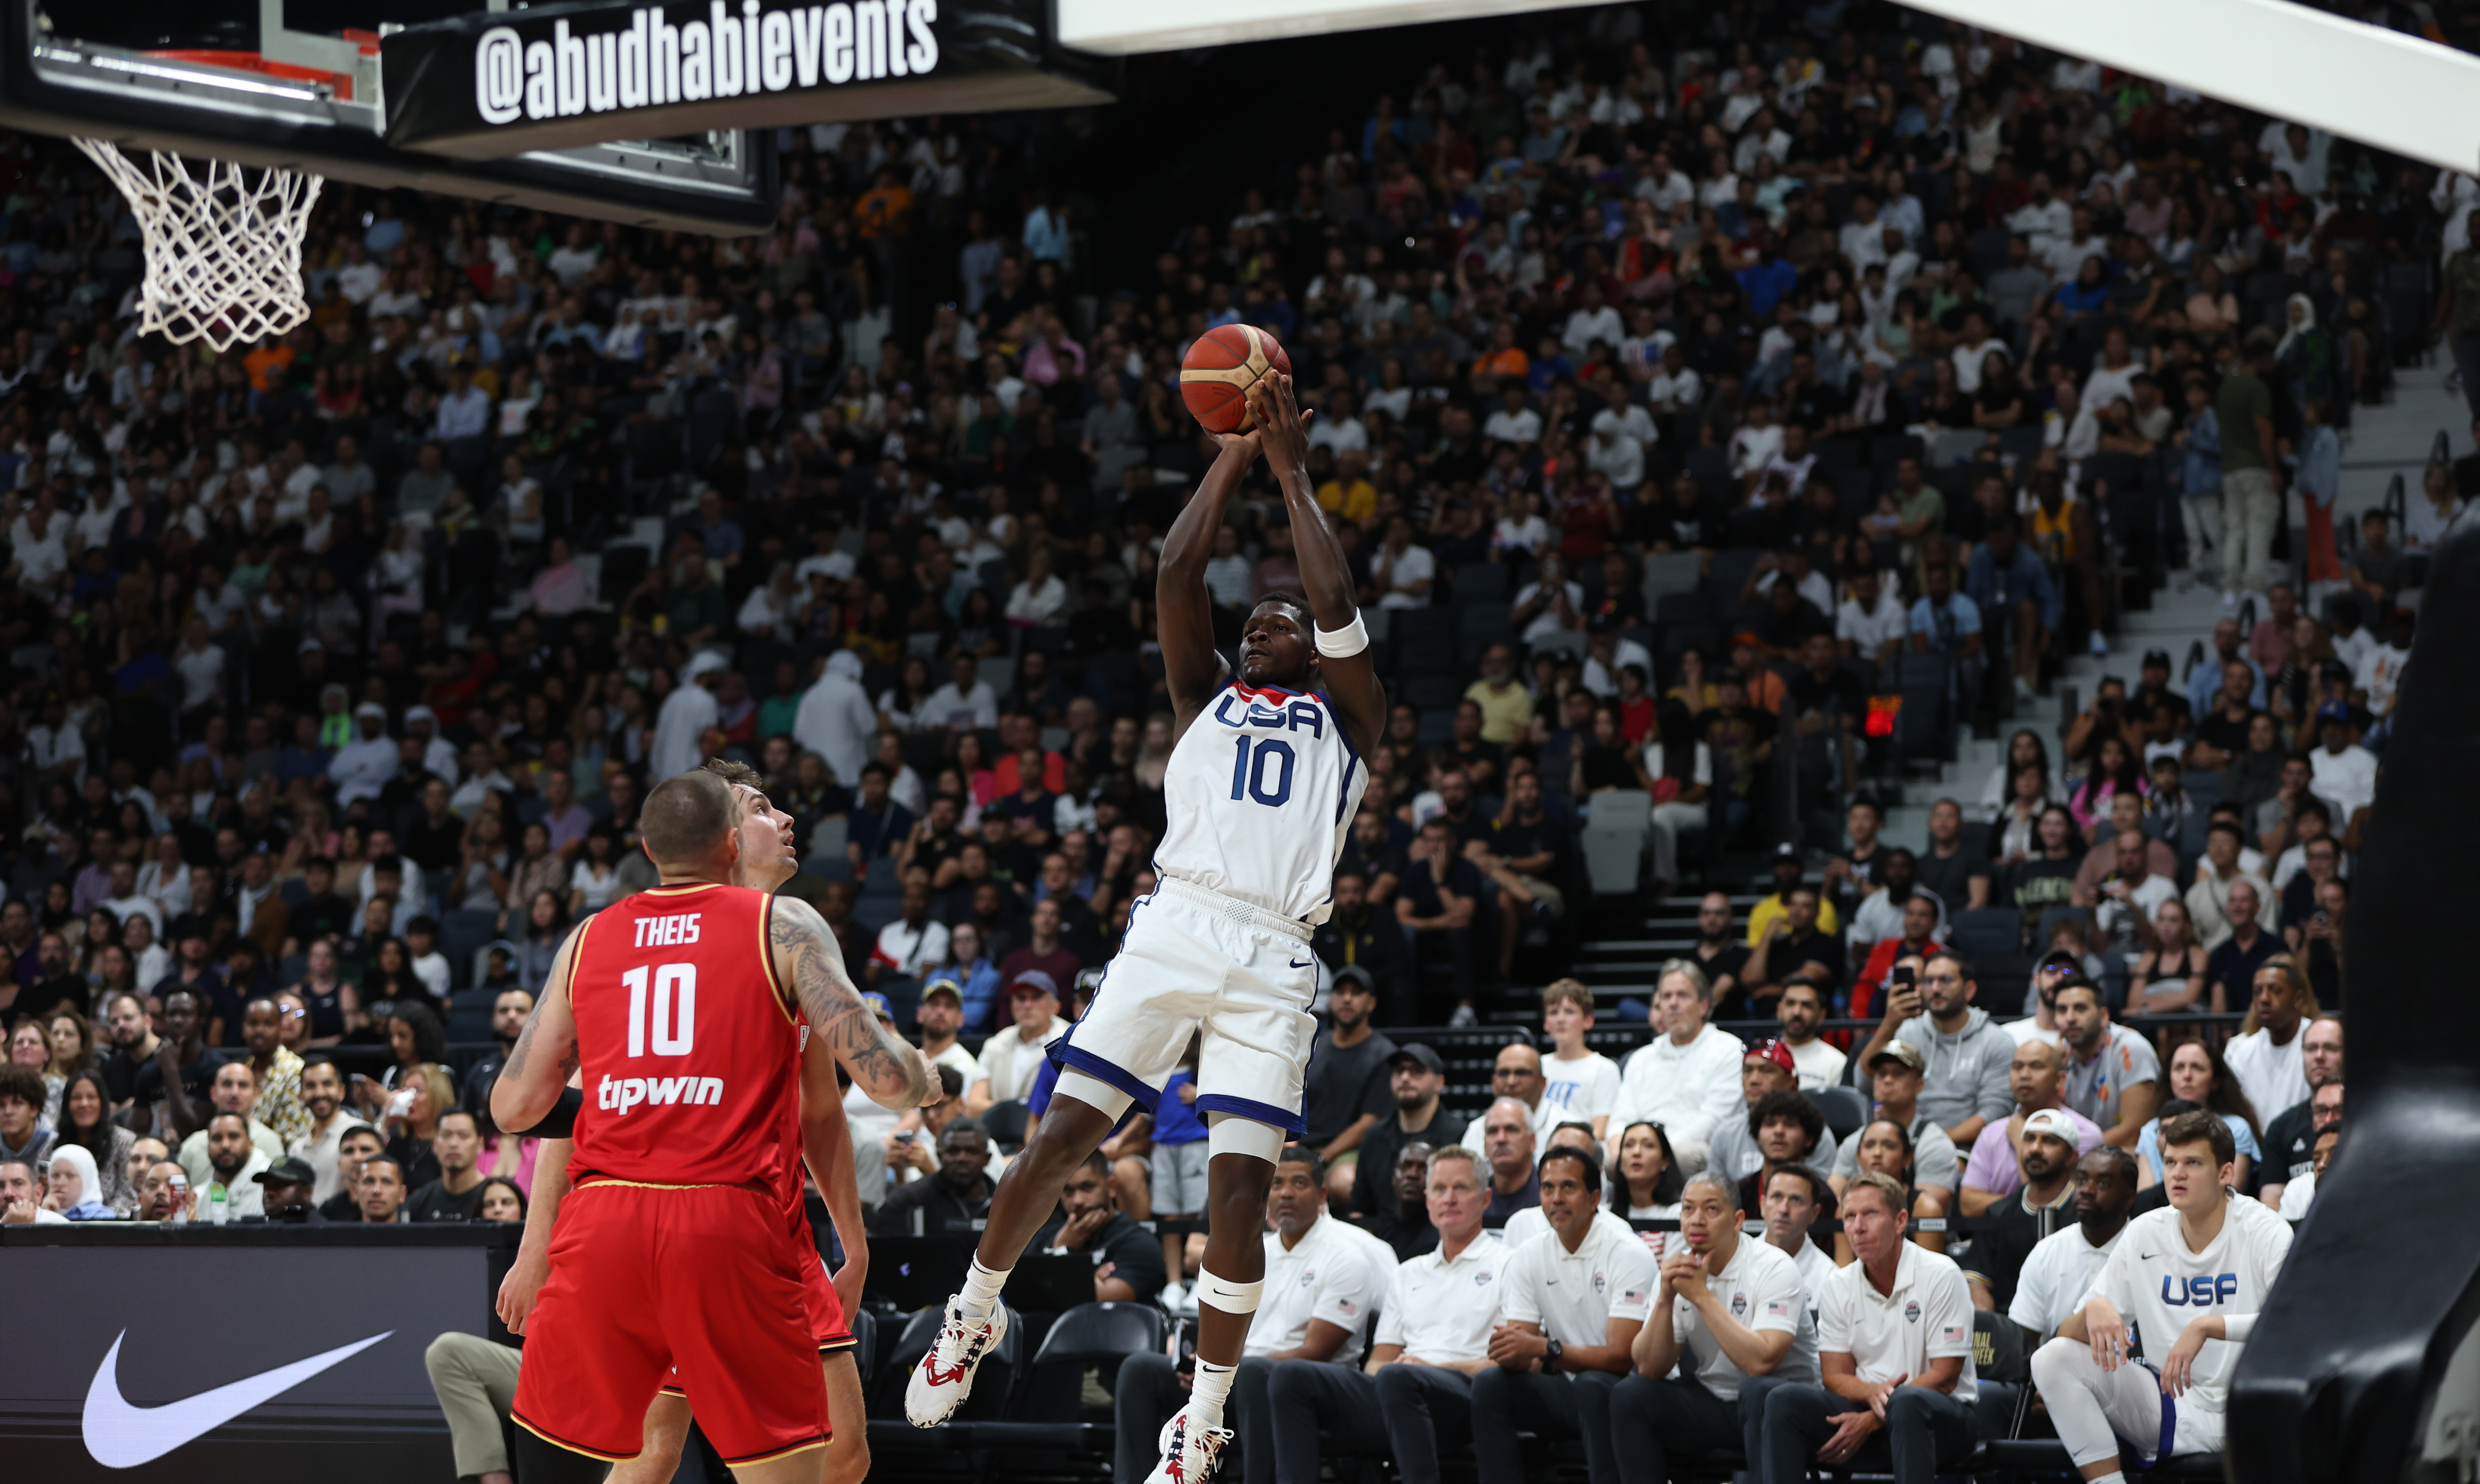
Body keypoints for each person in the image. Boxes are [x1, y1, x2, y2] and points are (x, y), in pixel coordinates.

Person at [906, 374, 1387, 1484]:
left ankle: (1204, 1414)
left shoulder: (1351, 719)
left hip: (1277, 949)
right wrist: (1233, 454)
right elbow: (1177, 571)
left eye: (1283, 622)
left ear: (1315, 650)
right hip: (1178, 922)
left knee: (1238, 1191)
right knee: (1062, 1136)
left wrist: (1292, 475)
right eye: (1252, 621)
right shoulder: (1201, 697)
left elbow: (1338, 602)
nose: (1263, 625)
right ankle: (973, 1312)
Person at [490, 770, 932, 1480]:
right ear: (728, 838)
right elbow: (886, 1080)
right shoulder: (785, 933)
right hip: (728, 1219)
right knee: (684, 1452)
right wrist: (915, 1071)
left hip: (671, 1220)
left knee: (839, 1453)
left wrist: (852, 1241)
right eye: (760, 807)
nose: (785, 818)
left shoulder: (600, 937)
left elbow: (515, 1108)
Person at [2031, 1111, 2293, 1482]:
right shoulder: (2144, 1233)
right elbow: (2066, 1338)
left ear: (2225, 1174)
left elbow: (2296, 1323)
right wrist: (2095, 1308)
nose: (2177, 1174)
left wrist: (2208, 1326)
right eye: (2170, 1162)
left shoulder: (2266, 1230)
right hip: (2171, 1404)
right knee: (2051, 1358)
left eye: (2193, 1163)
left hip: (2251, 1407)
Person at [1114, 1146, 1391, 1484]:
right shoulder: (1253, 1254)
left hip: (1302, 1391)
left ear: (1321, 1195)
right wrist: (1199, 1365)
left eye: (1299, 1183)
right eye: (1276, 1184)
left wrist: (1227, 1372)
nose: (1285, 1193)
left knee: (1255, 1373)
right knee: (1141, 1370)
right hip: (1238, 1382)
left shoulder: (1348, 1258)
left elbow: (1316, 1351)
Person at [1262, 1145, 1506, 1484]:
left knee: (1399, 1378)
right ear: (1427, 1200)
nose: (1449, 1199)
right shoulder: (1408, 1273)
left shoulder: (1509, 1263)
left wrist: (1430, 1369)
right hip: (1399, 1394)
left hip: (1470, 1399)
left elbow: (1508, 1365)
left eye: (1461, 1188)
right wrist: (1399, 1375)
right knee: (1291, 1375)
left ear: (1485, 1199)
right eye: (1439, 1189)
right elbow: (1378, 1363)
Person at [1759, 1170, 1980, 1483]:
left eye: (1871, 1214)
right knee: (1783, 1401)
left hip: (1942, 1419)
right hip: (1866, 1411)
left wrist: (1875, 1417)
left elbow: (1945, 1376)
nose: (1858, 1227)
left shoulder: (1941, 1274)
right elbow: (1834, 1375)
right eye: (1850, 1217)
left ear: (1901, 1221)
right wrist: (1873, 1394)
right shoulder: (1838, 1283)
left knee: (1907, 1404)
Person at [1608, 1171, 1819, 1484]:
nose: (1697, 1220)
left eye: (1711, 1209)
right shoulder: (1678, 1268)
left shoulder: (1774, 1267)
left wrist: (1702, 1296)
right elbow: (1649, 1368)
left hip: (1781, 1407)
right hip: (1714, 1402)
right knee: (1630, 1395)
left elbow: (1761, 1362)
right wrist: (1665, 1299)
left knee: (1757, 1390)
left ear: (1737, 1220)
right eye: (1688, 1209)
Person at [1469, 1146, 1655, 1484]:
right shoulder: (1529, 1254)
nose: (1556, 1198)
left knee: (1592, 1385)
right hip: (1570, 1390)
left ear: (1594, 1198)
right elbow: (1522, 1344)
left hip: (1629, 1395)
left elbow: (1621, 1358)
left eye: (1568, 1187)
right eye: (1547, 1188)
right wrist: (1509, 1351)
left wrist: (1545, 1349)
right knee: (1490, 1384)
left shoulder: (1628, 1252)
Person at [1854, 949, 2012, 1149]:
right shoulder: (1908, 1032)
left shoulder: (1996, 1041)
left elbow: (1993, 1114)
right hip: (1904, 1145)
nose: (1935, 989)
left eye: (1945, 980)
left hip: (1966, 1147)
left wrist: (1931, 1145)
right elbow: (1864, 1084)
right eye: (1928, 981)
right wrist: (1889, 1024)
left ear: (1969, 990)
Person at [1606, 961, 1745, 1171]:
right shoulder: (1642, 1058)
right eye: (1666, 997)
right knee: (1604, 1156)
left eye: (1683, 996)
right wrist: (1619, 1145)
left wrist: (1658, 1153)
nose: (1673, 1004)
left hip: (1694, 1150)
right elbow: (1623, 1114)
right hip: (1643, 1149)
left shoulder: (1729, 1050)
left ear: (1703, 1006)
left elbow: (1713, 1121)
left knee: (1684, 1154)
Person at [1959, 1108, 2085, 1314]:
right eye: (2029, 1139)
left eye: (2049, 1141)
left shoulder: (2087, 1212)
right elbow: (1977, 1280)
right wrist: (1991, 1324)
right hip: (2009, 1323)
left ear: (2072, 1156)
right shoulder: (1998, 1213)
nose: (2035, 1148)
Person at [2008, 1147, 2138, 1344]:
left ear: (2129, 1198)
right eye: (2082, 1180)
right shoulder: (2047, 1251)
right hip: (2056, 1361)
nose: (2087, 1190)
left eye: (2103, 1183)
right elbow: (2023, 1343)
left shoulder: (2148, 1252)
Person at [1959, 1040, 2104, 1216]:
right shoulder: (1991, 1133)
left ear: (2060, 1079)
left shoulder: (2083, 1133)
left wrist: (2021, 1142)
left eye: (2036, 1067)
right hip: (2002, 1232)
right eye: (2017, 1067)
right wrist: (2019, 1206)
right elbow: (1969, 1205)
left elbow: (2061, 1200)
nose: (2024, 1075)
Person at [1300, 966, 1396, 1204]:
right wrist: (1289, 1146)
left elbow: (1369, 1122)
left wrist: (1322, 1158)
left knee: (1344, 1184)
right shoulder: (1313, 1046)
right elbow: (1292, 1098)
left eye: (1356, 993)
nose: (1347, 999)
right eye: (1340, 992)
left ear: (1371, 1003)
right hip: (1302, 1146)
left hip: (1348, 1152)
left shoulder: (1384, 1055)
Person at [1831, 1043, 1961, 1212]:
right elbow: (1836, 1205)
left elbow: (1924, 1212)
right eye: (1881, 1074)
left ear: (1919, 1085)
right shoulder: (1854, 1142)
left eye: (1898, 1074)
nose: (1887, 1080)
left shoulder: (1935, 1145)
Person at [1346, 1043, 1468, 1221]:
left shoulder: (1459, 1135)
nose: (1405, 1078)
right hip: (1383, 1232)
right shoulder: (1374, 1137)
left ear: (1439, 1082)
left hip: (1438, 1229)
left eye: (1417, 1071)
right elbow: (1359, 1207)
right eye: (1399, 1071)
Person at [2055, 980, 2162, 1150]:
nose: (2070, 1018)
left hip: (2122, 1154)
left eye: (2080, 1008)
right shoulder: (2059, 1055)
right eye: (2062, 1010)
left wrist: (2072, 1153)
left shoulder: (2131, 1049)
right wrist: (2052, 1066)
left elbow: (2134, 1131)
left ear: (2104, 1016)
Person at [2257, 1015, 2342, 1211]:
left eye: (2330, 1048)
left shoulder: (2365, 1122)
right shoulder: (2281, 1128)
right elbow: (2270, 1205)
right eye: (2311, 1048)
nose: (2319, 1056)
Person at [2222, 955, 2317, 1125]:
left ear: (2298, 998)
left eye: (2276, 990)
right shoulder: (2241, 1051)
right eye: (2258, 991)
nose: (2264, 999)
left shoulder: (2319, 1043)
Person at [870, 1120, 996, 1237]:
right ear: (939, 1156)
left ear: (987, 1158)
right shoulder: (908, 1199)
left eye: (972, 1152)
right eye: (953, 1151)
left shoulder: (1003, 1203)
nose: (962, 1158)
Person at [1539, 979, 1623, 1138]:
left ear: (1588, 1021)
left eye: (1569, 1012)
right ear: (1546, 1024)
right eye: (1553, 1012)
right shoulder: (1538, 1066)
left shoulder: (1604, 1069)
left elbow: (1599, 1132)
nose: (1561, 1019)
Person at [405, 1108, 489, 1221]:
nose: (453, 1144)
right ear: (435, 1144)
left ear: (480, 1145)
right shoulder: (419, 1202)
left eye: (463, 1136)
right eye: (446, 1135)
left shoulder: (493, 1199)